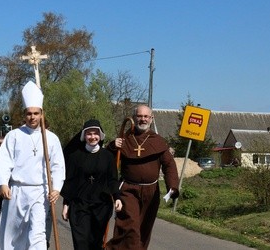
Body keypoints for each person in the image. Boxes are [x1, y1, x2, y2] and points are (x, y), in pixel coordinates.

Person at [0, 81, 65, 250]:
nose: (32, 117)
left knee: (37, 233)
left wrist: (57, 188)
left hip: (41, 190)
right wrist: (2, 183)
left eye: (36, 113)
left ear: (41, 114)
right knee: (14, 234)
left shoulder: (51, 138)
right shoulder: (14, 135)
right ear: (25, 114)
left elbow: (58, 165)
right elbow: (4, 160)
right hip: (17, 190)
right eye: (29, 113)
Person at [105, 105, 180, 250]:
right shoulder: (124, 139)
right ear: (134, 118)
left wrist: (173, 187)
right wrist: (112, 147)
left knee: (144, 230)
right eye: (139, 116)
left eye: (146, 116)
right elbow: (108, 162)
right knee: (130, 228)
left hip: (151, 192)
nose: (143, 119)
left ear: (152, 119)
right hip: (128, 190)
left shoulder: (159, 141)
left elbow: (169, 165)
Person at [61, 119, 123, 250]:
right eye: (89, 134)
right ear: (84, 136)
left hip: (101, 206)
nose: (92, 137)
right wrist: (66, 204)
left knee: (95, 243)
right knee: (81, 243)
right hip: (79, 206)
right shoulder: (75, 156)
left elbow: (112, 179)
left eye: (96, 133)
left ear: (100, 135)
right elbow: (70, 181)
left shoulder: (107, 157)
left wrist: (117, 197)